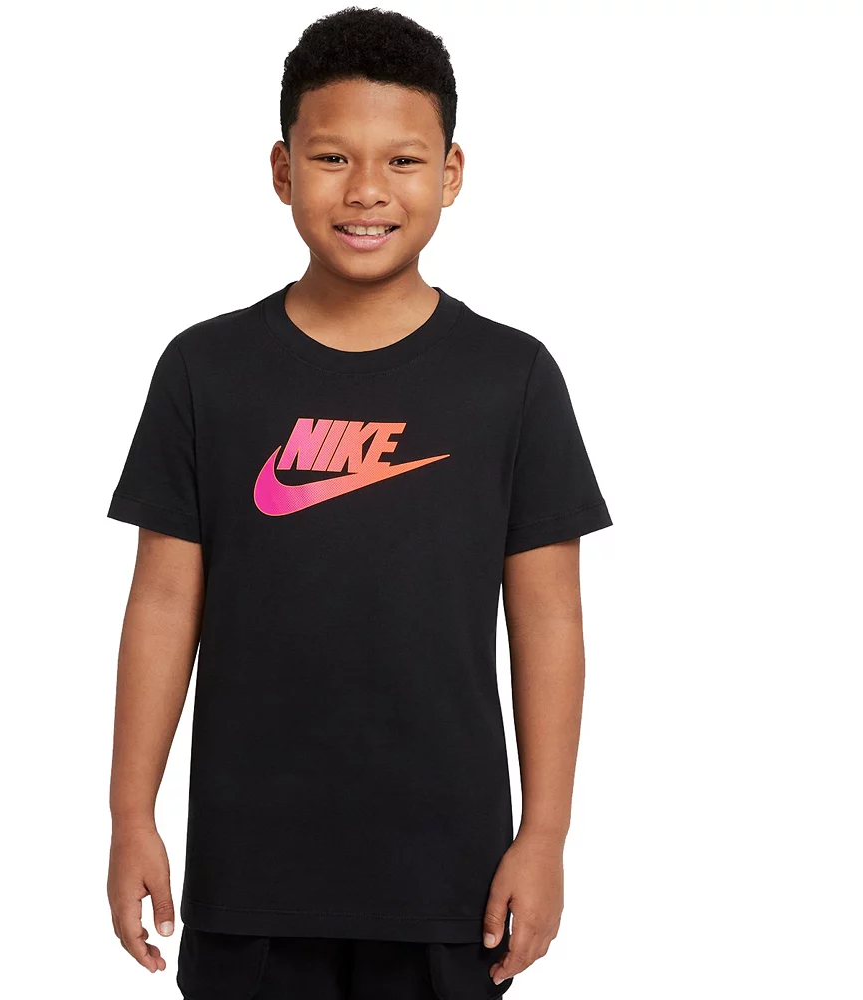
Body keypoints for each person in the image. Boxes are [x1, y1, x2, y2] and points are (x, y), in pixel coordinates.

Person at [105, 7, 613, 999]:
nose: (367, 190)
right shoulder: (206, 370)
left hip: (451, 884)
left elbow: (549, 618)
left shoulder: (510, 378)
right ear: (282, 169)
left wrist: (545, 834)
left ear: (451, 173)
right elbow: (162, 603)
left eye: (403, 161)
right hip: (249, 883)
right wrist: (131, 815)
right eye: (332, 157)